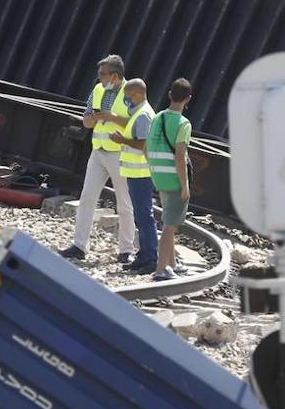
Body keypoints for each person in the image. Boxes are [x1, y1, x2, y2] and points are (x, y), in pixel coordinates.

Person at [58, 55, 136, 262]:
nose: (99, 77)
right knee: (87, 198)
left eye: (102, 74)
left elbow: (139, 124)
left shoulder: (132, 93)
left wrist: (112, 118)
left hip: (120, 154)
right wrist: (92, 118)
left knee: (124, 203)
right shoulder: (98, 90)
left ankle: (126, 250)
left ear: (115, 75)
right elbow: (86, 122)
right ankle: (79, 245)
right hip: (98, 151)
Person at [109, 78, 158, 274]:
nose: (126, 100)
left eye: (128, 96)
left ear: (136, 94)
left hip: (141, 173)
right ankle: (144, 255)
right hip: (135, 172)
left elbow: (144, 144)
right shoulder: (139, 112)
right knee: (141, 215)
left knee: (144, 216)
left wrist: (121, 140)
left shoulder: (143, 115)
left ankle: (149, 258)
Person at [147, 79, 193, 281]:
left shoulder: (157, 117)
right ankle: (161, 269)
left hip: (158, 176)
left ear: (169, 94)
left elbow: (146, 148)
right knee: (169, 226)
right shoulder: (183, 124)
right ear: (188, 99)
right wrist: (185, 186)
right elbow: (180, 157)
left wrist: (154, 171)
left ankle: (173, 263)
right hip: (174, 179)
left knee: (168, 219)